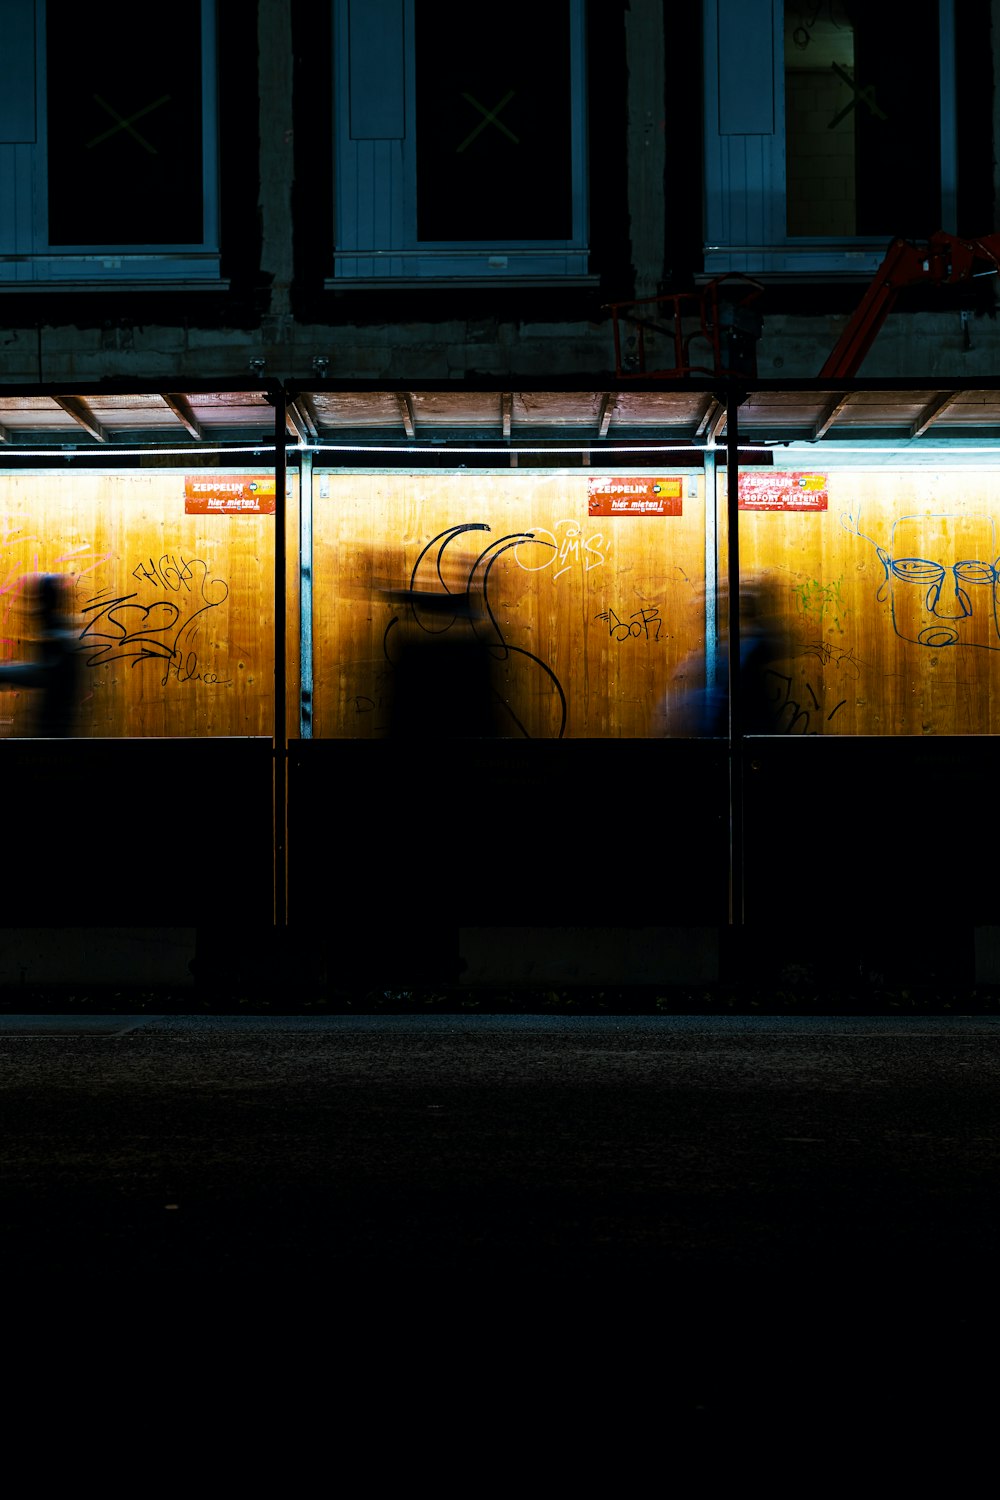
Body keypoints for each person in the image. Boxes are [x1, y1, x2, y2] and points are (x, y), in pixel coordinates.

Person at [0, 573, 82, 737]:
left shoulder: (59, 638)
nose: (32, 609)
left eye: (38, 601)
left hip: (54, 739)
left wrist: (4, 672)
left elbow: (44, 674)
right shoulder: (61, 634)